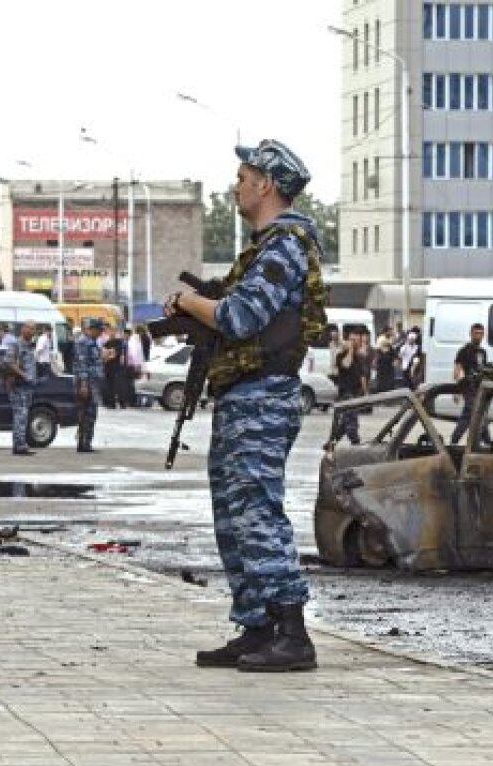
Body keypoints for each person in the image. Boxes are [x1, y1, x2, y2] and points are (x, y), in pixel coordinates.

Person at [167, 139, 327, 673]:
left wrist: (191, 303)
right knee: (234, 515)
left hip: (263, 397)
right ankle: (257, 625)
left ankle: (290, 629)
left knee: (257, 512)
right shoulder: (264, 245)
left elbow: (240, 316)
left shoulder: (284, 245)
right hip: (243, 396)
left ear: (266, 184)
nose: (235, 186)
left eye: (243, 177)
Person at [2, 320, 38, 456]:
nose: (31, 331)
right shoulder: (16, 344)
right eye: (29, 328)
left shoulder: (30, 346)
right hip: (18, 386)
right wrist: (23, 375)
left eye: (34, 329)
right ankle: (19, 446)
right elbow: (8, 362)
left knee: (23, 416)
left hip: (28, 388)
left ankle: (20, 444)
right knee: (20, 416)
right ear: (23, 329)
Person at [450, 322, 488, 445]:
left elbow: (484, 369)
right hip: (469, 388)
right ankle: (456, 440)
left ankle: (480, 442)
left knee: (477, 415)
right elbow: (457, 370)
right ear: (471, 334)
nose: (478, 336)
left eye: (481, 334)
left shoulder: (482, 352)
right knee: (473, 415)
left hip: (481, 388)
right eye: (476, 333)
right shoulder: (464, 351)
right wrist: (456, 391)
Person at [74, 319, 105, 453]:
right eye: (99, 330)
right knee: (88, 413)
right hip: (87, 384)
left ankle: (85, 441)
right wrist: (84, 385)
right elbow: (82, 364)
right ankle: (84, 443)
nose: (100, 332)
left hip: (93, 383)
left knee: (89, 413)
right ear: (92, 329)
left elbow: (93, 362)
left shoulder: (92, 343)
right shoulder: (84, 342)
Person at [334, 331, 369, 443]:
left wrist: (365, 393)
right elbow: (346, 364)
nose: (354, 343)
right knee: (351, 425)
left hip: (355, 393)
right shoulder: (341, 356)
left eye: (356, 341)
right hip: (346, 394)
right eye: (352, 340)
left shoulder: (359, 358)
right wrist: (350, 350)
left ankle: (331, 443)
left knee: (344, 424)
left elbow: (362, 376)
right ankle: (357, 446)